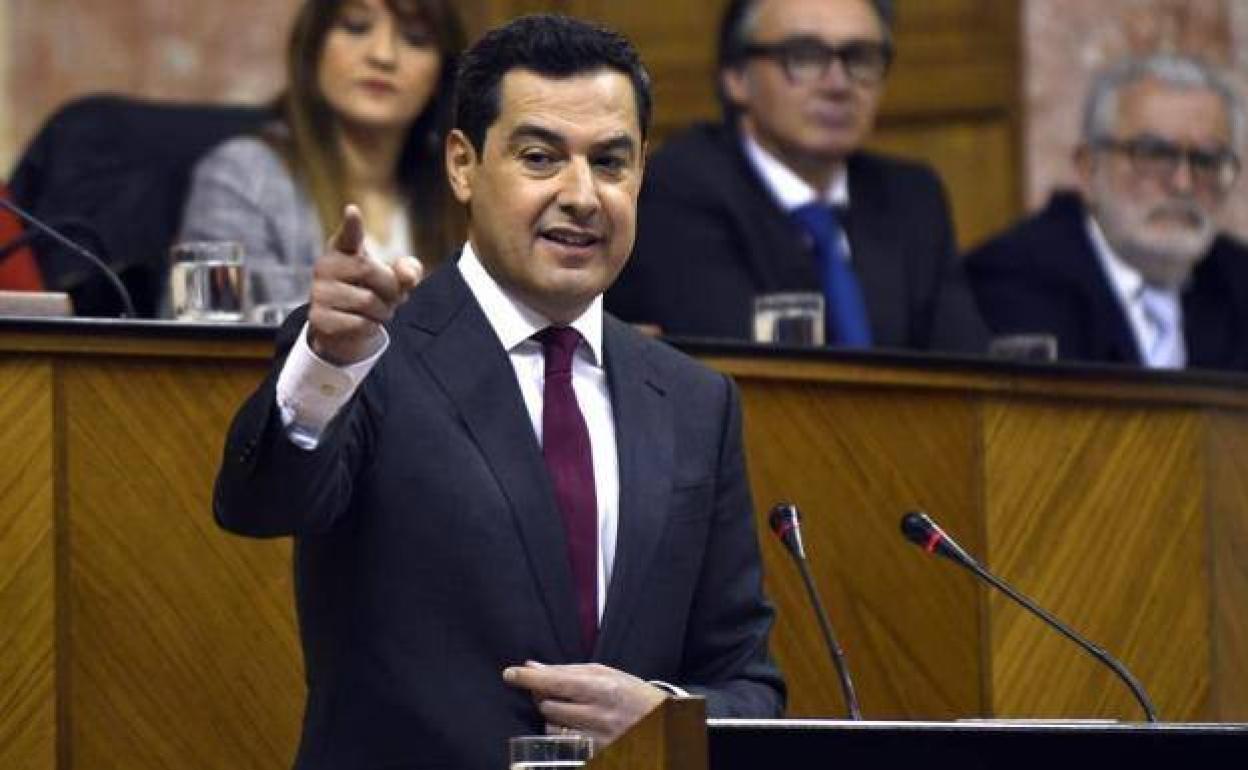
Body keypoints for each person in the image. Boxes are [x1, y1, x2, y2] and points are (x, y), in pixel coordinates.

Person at [213, 14, 785, 770]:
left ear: (642, 172)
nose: (582, 195)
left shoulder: (695, 402)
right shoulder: (368, 351)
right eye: (541, 157)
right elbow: (260, 505)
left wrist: (665, 713)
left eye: (610, 163)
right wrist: (326, 364)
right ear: (463, 164)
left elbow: (750, 684)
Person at [606, 0, 986, 352]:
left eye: (861, 58)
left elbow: (967, 374)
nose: (838, 84)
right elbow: (747, 369)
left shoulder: (912, 196)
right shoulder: (677, 188)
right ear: (736, 76)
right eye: (804, 56)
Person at [965, 54, 1248, 370]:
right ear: (1088, 169)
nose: (1183, 183)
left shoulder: (1238, 279)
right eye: (1153, 154)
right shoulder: (1010, 280)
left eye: (1207, 161)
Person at [177, 0, 465, 297]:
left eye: (415, 39)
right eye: (356, 27)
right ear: (314, 48)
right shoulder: (242, 177)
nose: (383, 56)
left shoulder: (462, 191)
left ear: (441, 73)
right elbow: (214, 332)